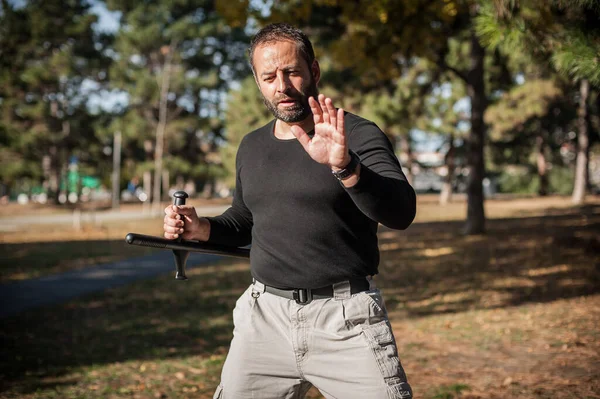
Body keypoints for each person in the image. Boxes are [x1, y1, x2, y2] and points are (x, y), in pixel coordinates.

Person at [163, 23, 416, 399]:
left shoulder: (356, 134)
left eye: (291, 72)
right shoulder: (251, 146)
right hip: (264, 320)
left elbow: (401, 212)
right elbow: (245, 221)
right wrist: (201, 228)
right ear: (258, 82)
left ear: (313, 71)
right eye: (268, 77)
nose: (280, 86)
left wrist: (345, 167)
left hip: (344, 321)